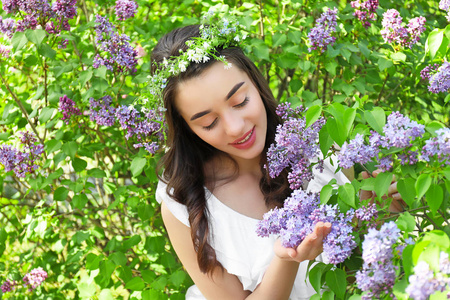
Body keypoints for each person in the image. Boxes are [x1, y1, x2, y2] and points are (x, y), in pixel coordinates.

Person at [152, 22, 400, 299]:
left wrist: (381, 213)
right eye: (209, 123)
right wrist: (287, 258)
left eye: (240, 101)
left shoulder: (320, 149)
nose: (235, 128)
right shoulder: (182, 201)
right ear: (187, 128)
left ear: (256, 85)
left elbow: (353, 273)